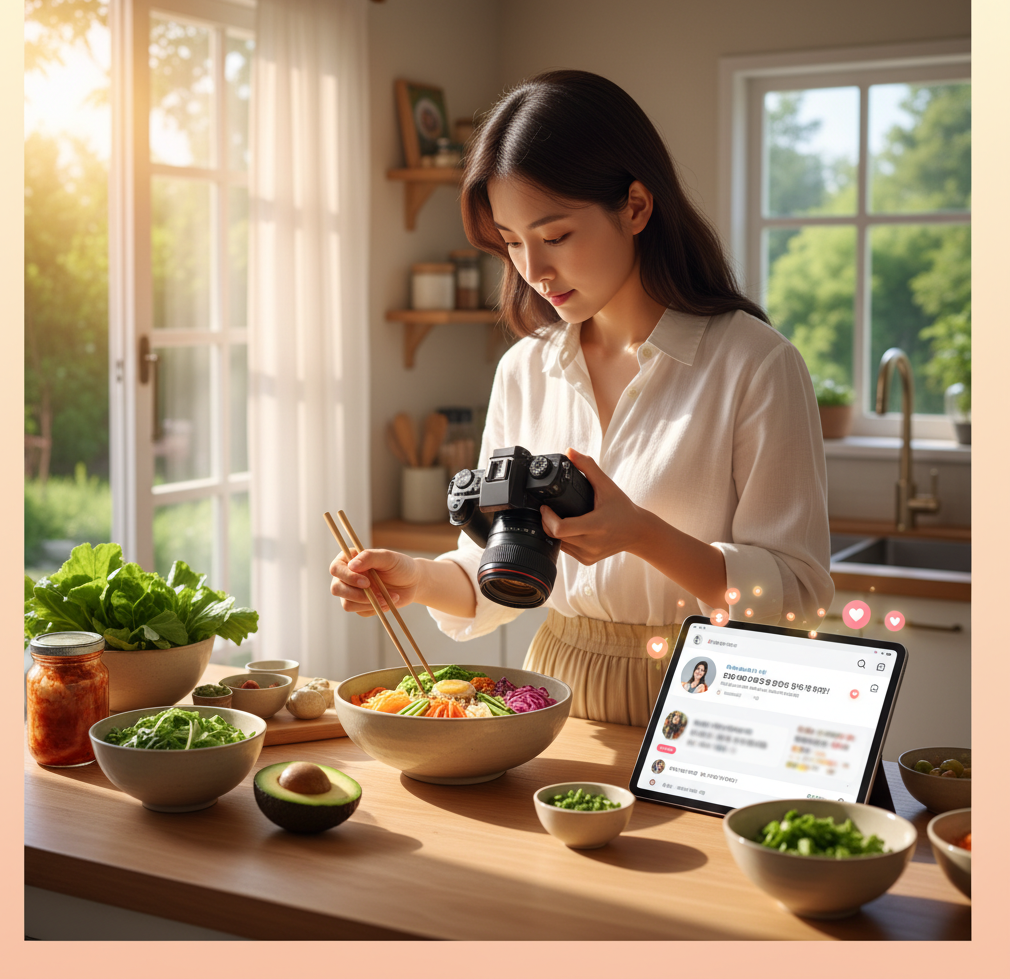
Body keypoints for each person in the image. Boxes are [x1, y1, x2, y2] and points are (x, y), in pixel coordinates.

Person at [330, 69, 833, 726]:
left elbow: (798, 594)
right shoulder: (525, 370)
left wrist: (641, 534)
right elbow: (496, 573)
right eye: (512, 242)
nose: (534, 271)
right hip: (558, 693)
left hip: (708, 695)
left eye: (555, 236)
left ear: (636, 207)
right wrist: (416, 578)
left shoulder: (755, 365)